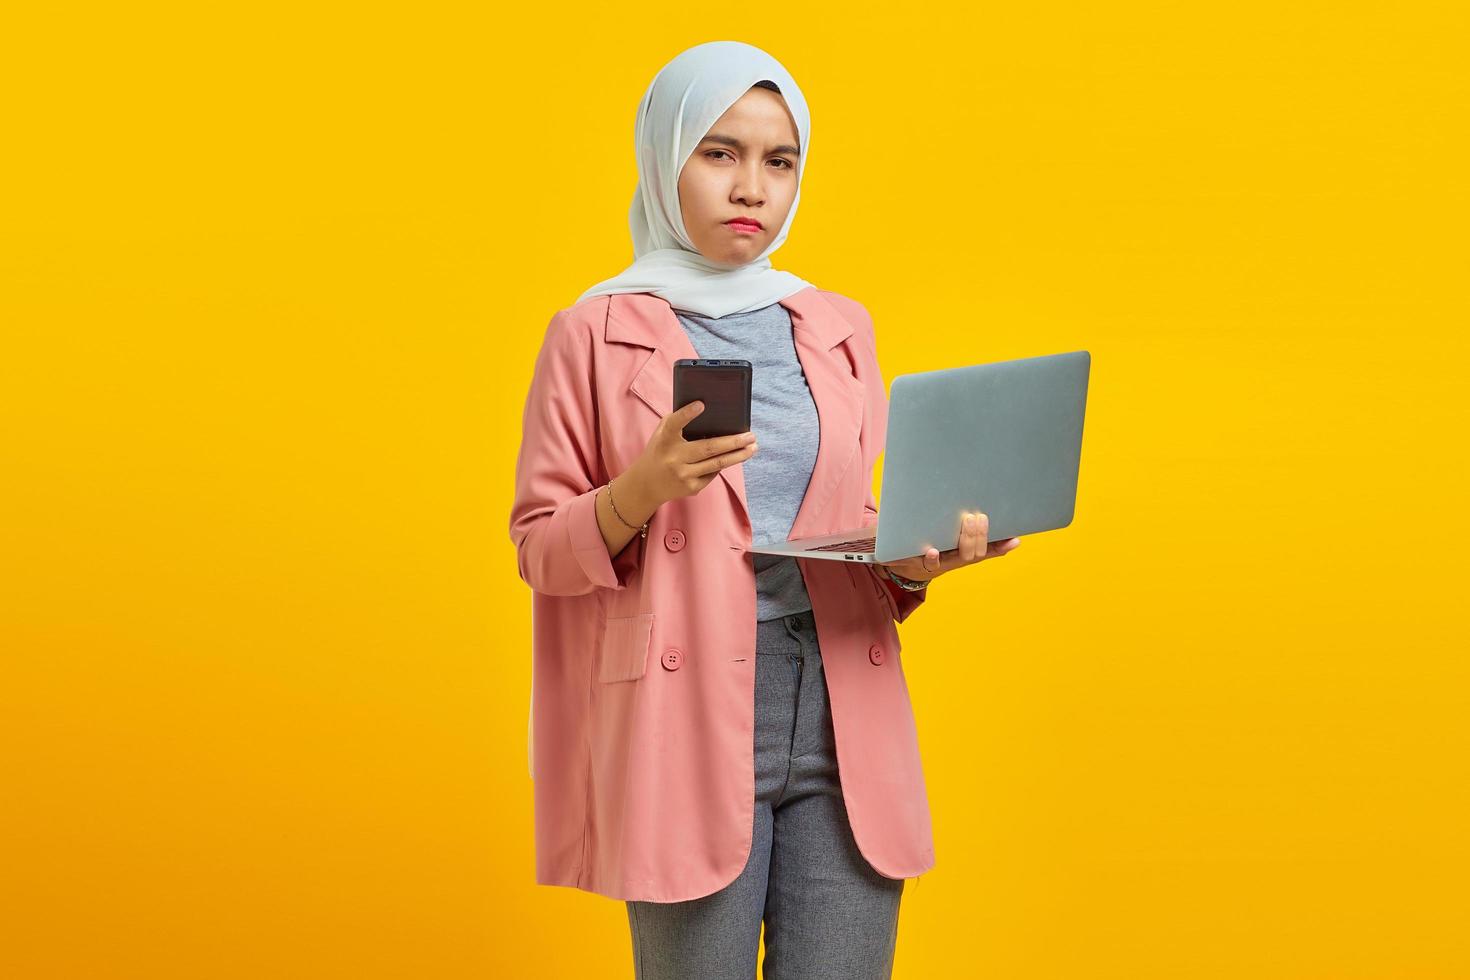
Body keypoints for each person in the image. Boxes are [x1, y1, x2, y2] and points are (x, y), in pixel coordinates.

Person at [510, 40, 1020, 980]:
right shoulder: (594, 330)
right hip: (683, 706)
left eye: (778, 161)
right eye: (720, 153)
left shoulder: (835, 323)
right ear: (665, 158)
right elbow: (540, 549)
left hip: (841, 705)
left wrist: (917, 560)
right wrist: (642, 488)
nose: (752, 187)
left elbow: (847, 528)